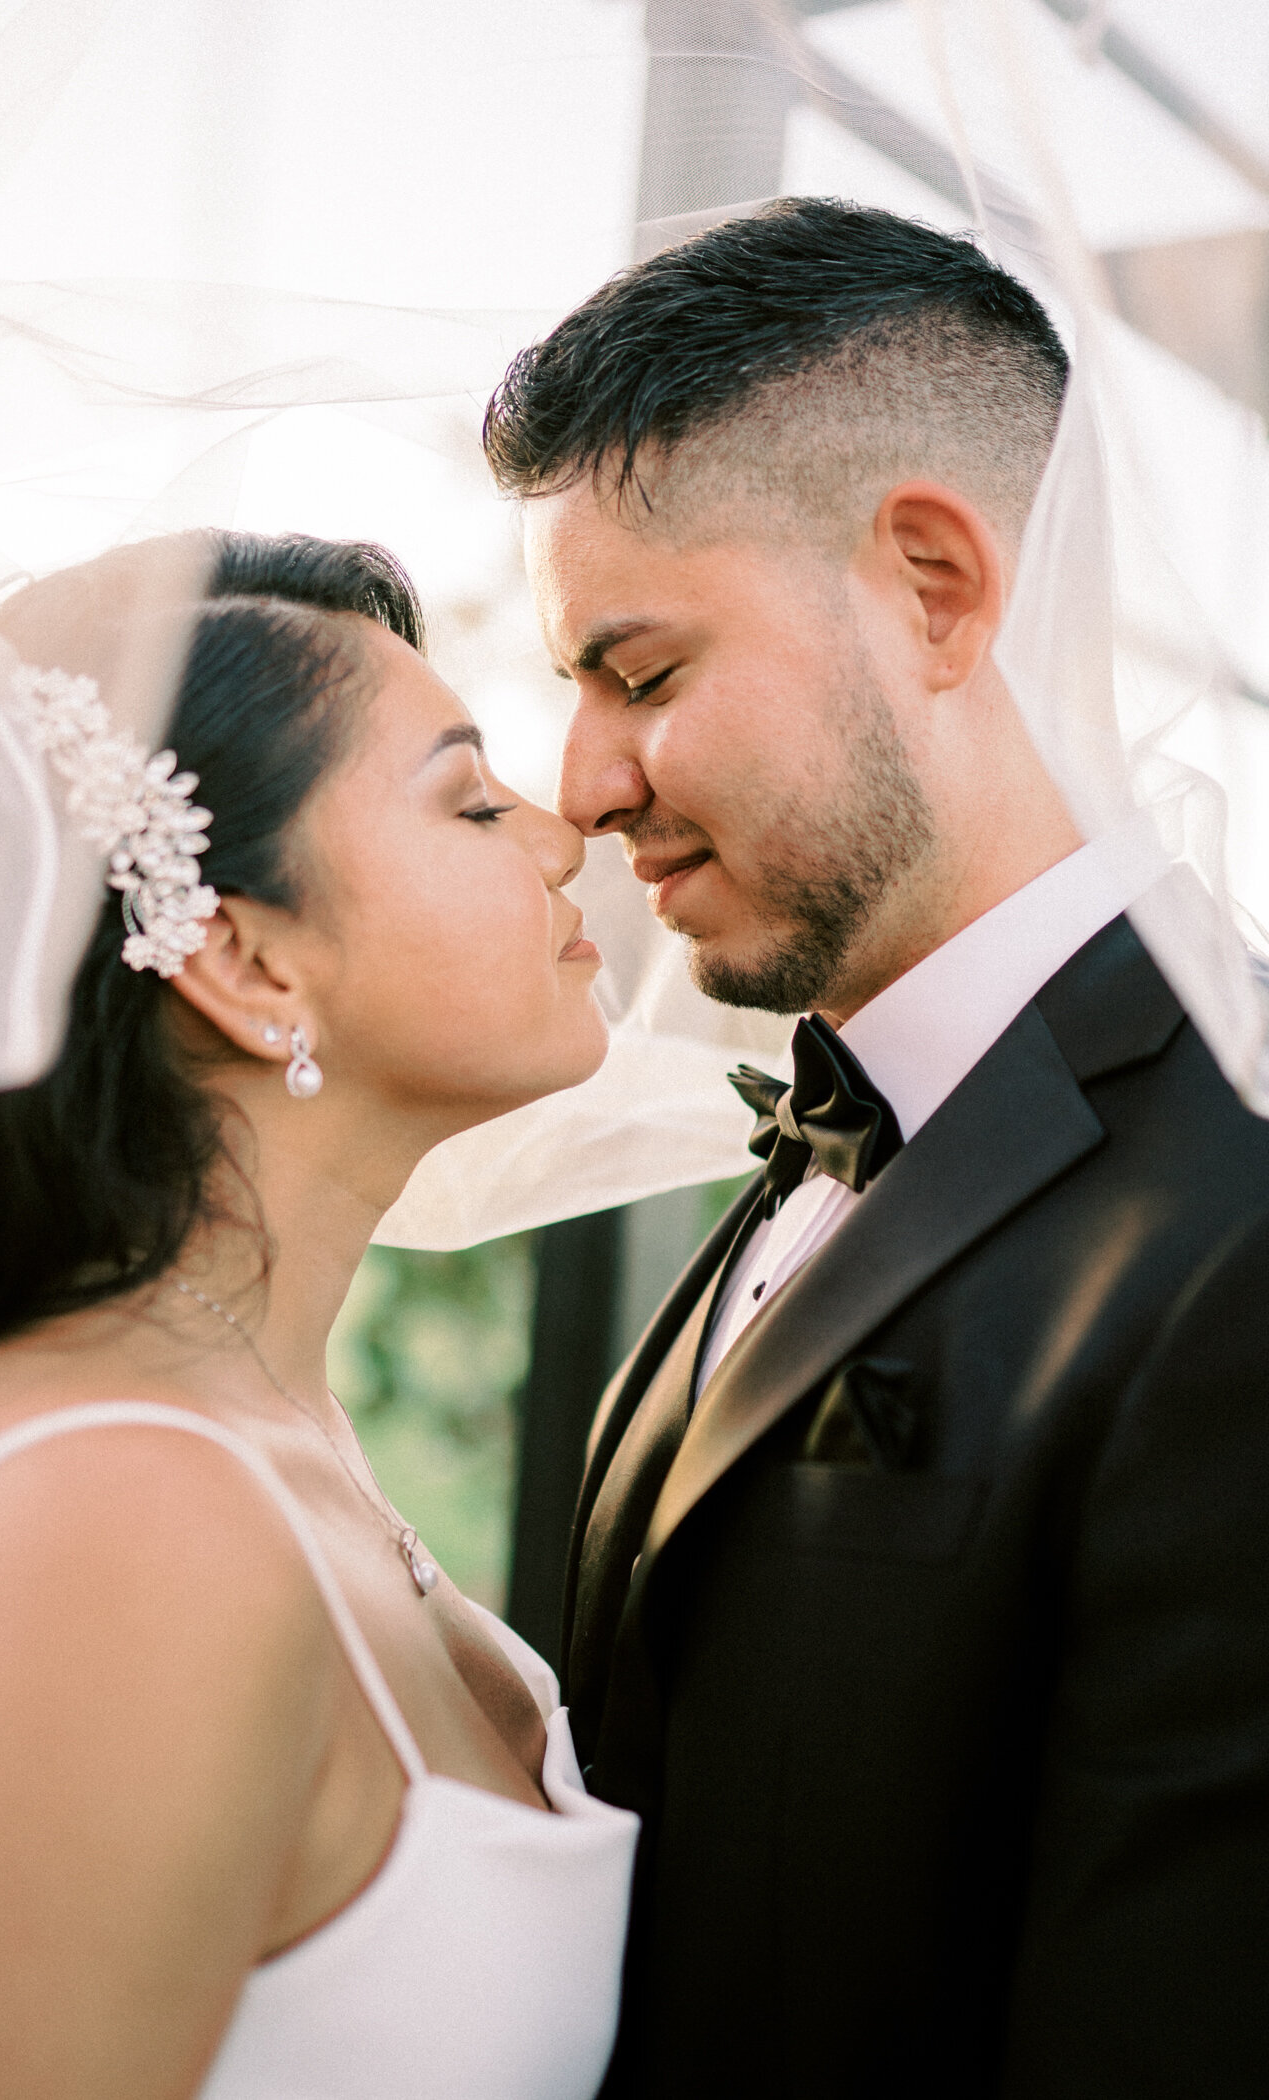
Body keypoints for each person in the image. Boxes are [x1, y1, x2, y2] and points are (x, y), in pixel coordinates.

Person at [483, 199, 1269, 2096]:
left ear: (934, 586)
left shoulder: (1239, 1223)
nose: (580, 787)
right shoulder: (800, 1155)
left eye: (641, 674)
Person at [0, 530, 638, 2099]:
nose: (564, 835)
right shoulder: (111, 1510)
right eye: (471, 800)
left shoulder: (279, 1431)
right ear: (241, 955)